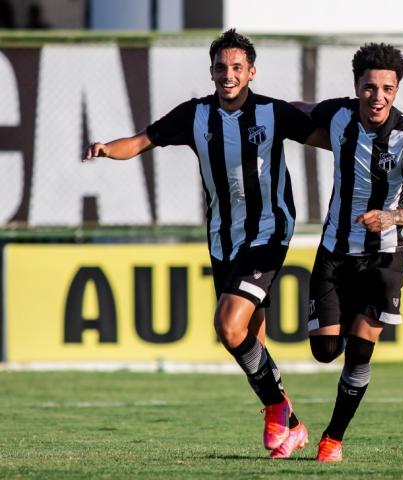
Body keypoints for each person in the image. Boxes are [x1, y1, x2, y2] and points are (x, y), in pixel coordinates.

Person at [82, 29, 328, 459]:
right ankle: (292, 425)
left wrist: (377, 148)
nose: (228, 75)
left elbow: (329, 140)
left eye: (237, 67)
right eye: (221, 67)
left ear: (251, 72)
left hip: (269, 232)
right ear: (211, 72)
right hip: (223, 238)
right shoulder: (195, 116)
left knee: (228, 325)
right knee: (251, 338)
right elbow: (140, 142)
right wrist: (105, 148)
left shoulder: (273, 113)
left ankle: (276, 405)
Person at [293, 43, 403, 462]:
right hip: (334, 251)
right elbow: (291, 111)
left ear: (396, 90)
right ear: (356, 87)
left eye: (387, 88)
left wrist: (394, 217)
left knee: (360, 351)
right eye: (369, 87)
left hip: (384, 257)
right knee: (325, 351)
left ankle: (332, 439)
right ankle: (346, 322)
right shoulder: (338, 116)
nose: (377, 96)